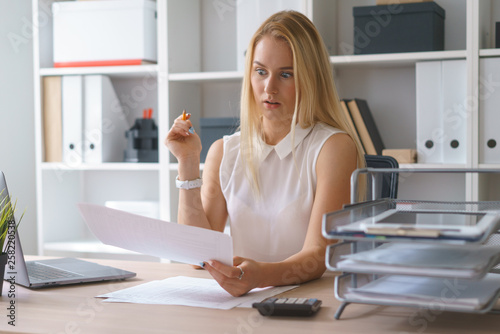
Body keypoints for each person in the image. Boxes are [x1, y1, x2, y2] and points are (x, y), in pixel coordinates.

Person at [165, 10, 364, 297]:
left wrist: (259, 276)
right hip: (244, 301)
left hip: (312, 302)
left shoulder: (333, 147)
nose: (269, 88)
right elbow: (198, 255)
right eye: (260, 72)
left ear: (311, 79)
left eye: (286, 74)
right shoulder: (224, 151)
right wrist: (187, 162)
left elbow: (319, 256)